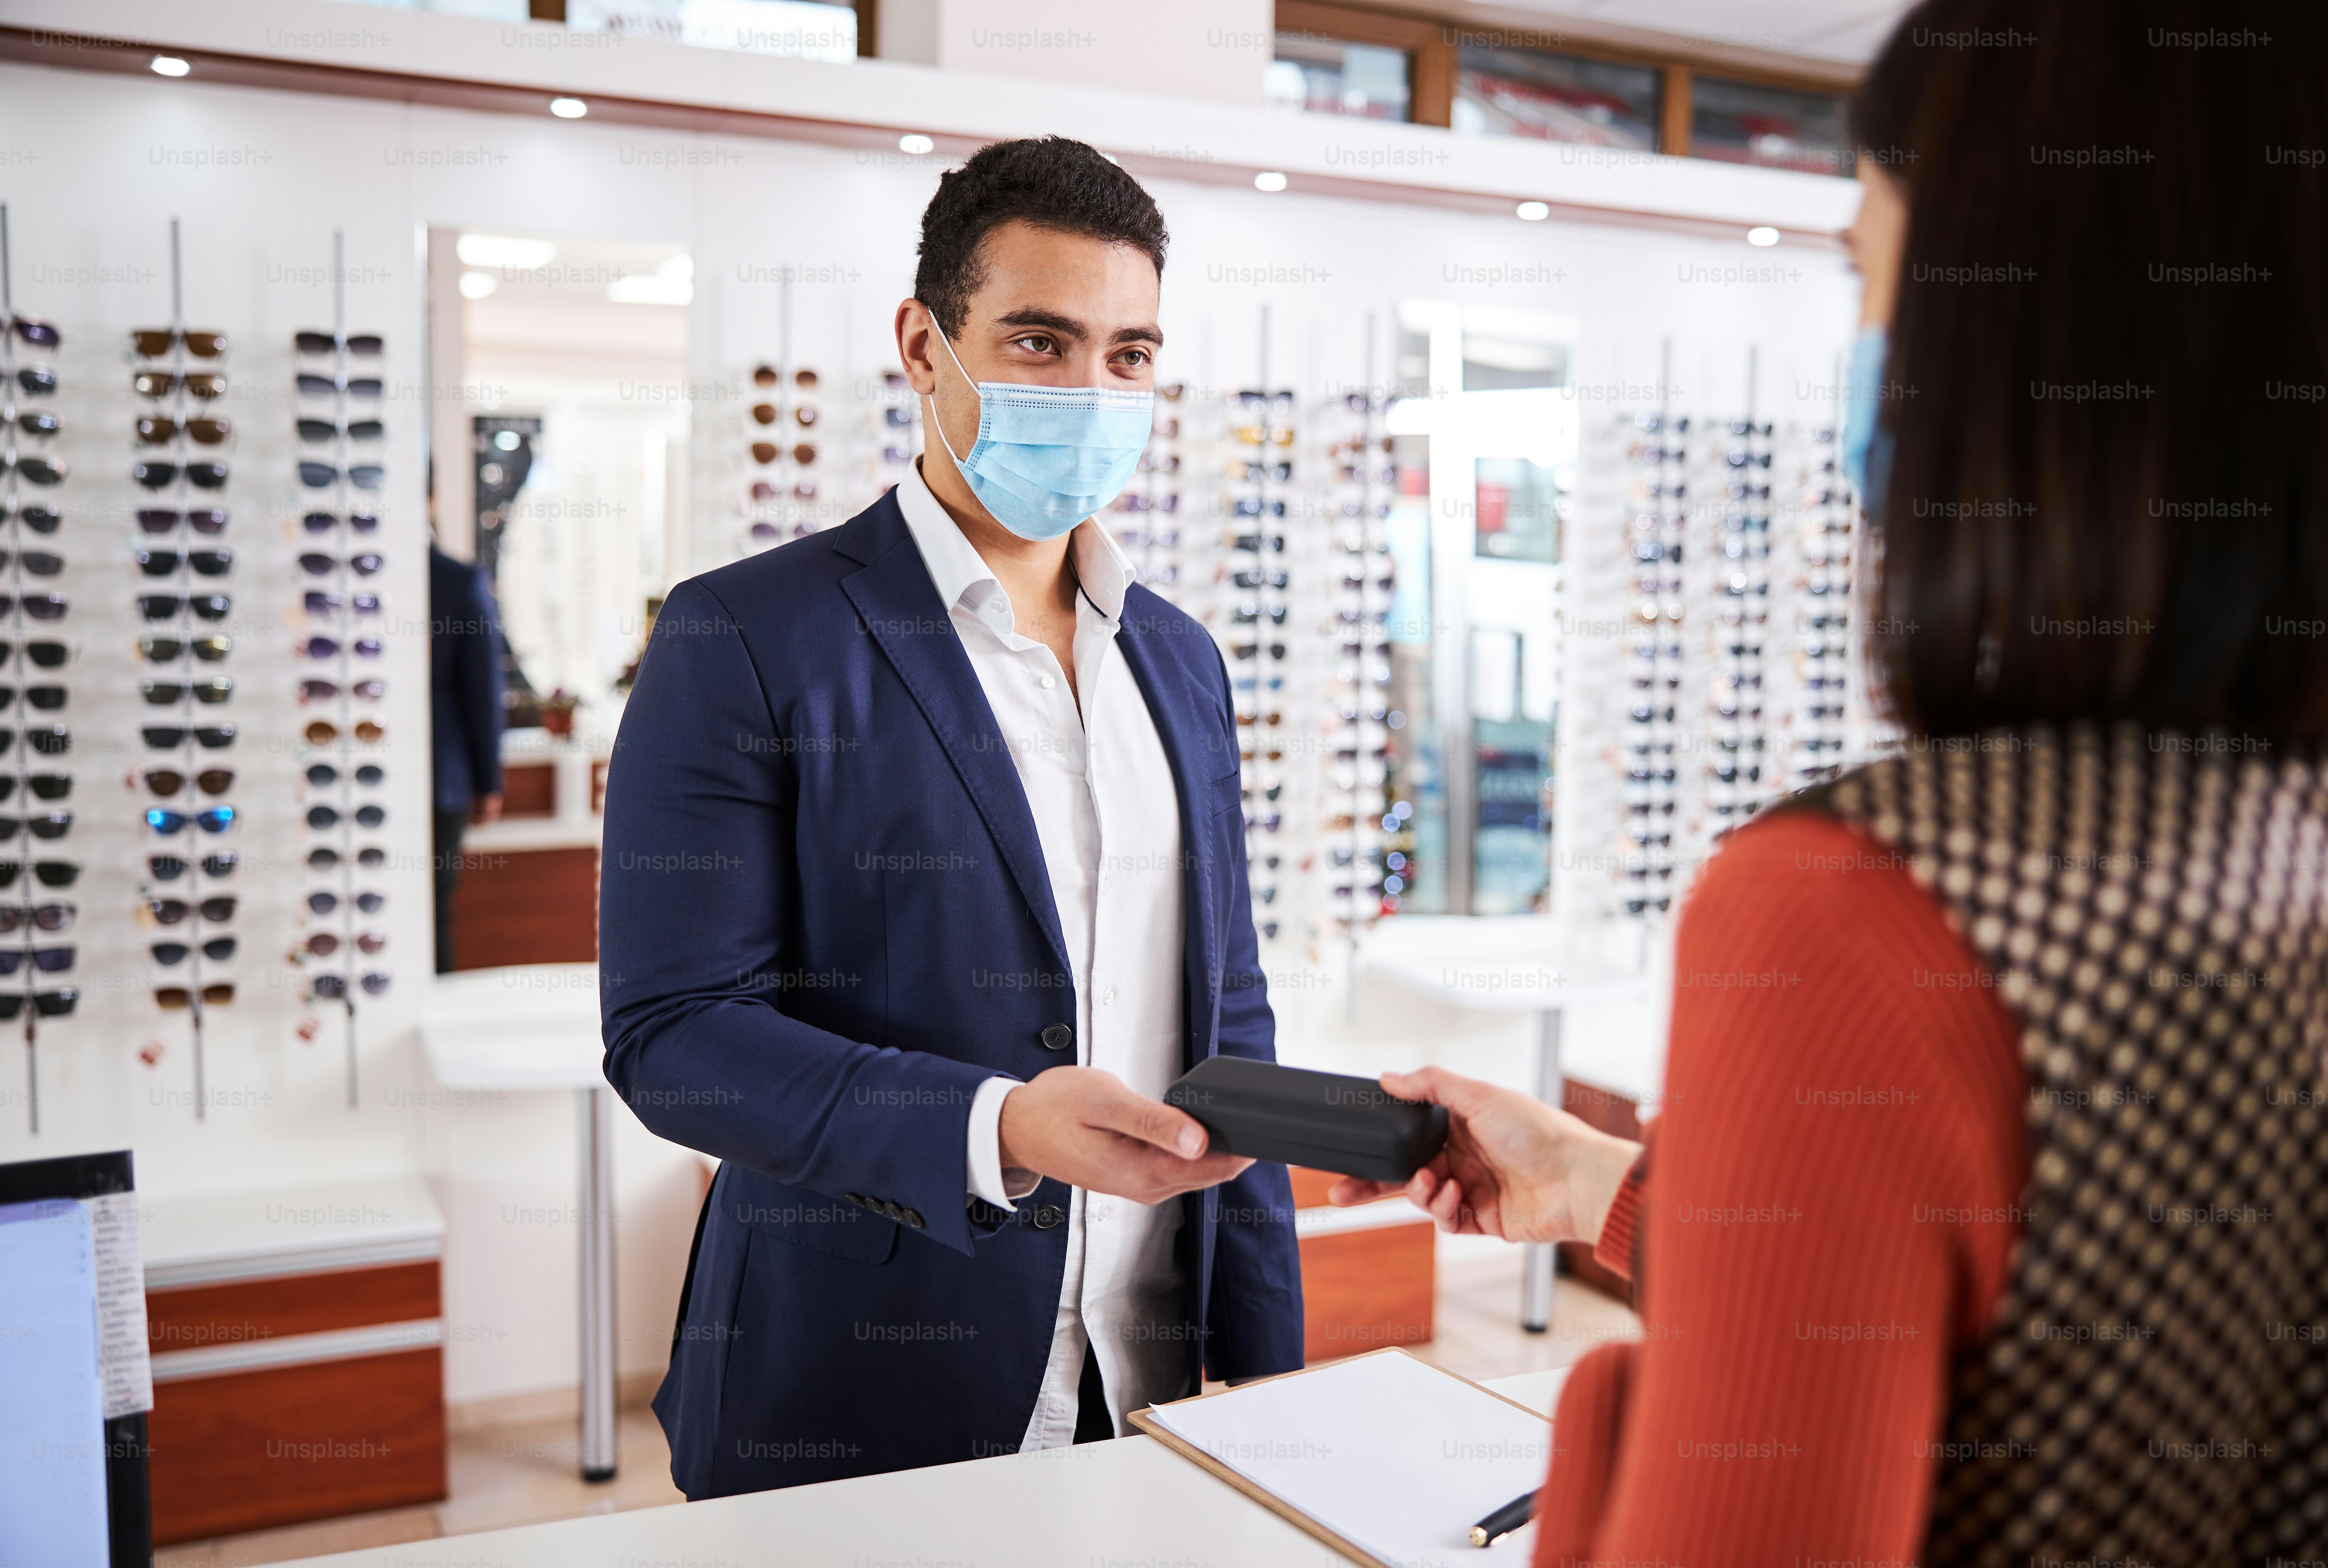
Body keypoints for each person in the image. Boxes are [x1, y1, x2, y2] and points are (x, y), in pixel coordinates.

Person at [1336, 3, 2328, 1562]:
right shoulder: (2272, 839)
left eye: (1865, 281)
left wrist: (1616, 1427)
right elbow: (2076, 1320)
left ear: (1994, 345)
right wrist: (1610, 1184)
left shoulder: (1849, 911)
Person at [599, 136, 1302, 1498]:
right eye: (1040, 343)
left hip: (1146, 1376)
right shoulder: (744, 636)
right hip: (856, 1388)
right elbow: (675, 1041)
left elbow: (1234, 1019)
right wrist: (996, 1124)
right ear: (926, 347)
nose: (1092, 392)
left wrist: (1271, 1372)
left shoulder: (1182, 660)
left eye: (1130, 354)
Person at [427, 535, 506, 973]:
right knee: (432, 911)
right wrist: (487, 782)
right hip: (444, 777)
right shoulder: (458, 579)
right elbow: (482, 689)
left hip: (437, 777)